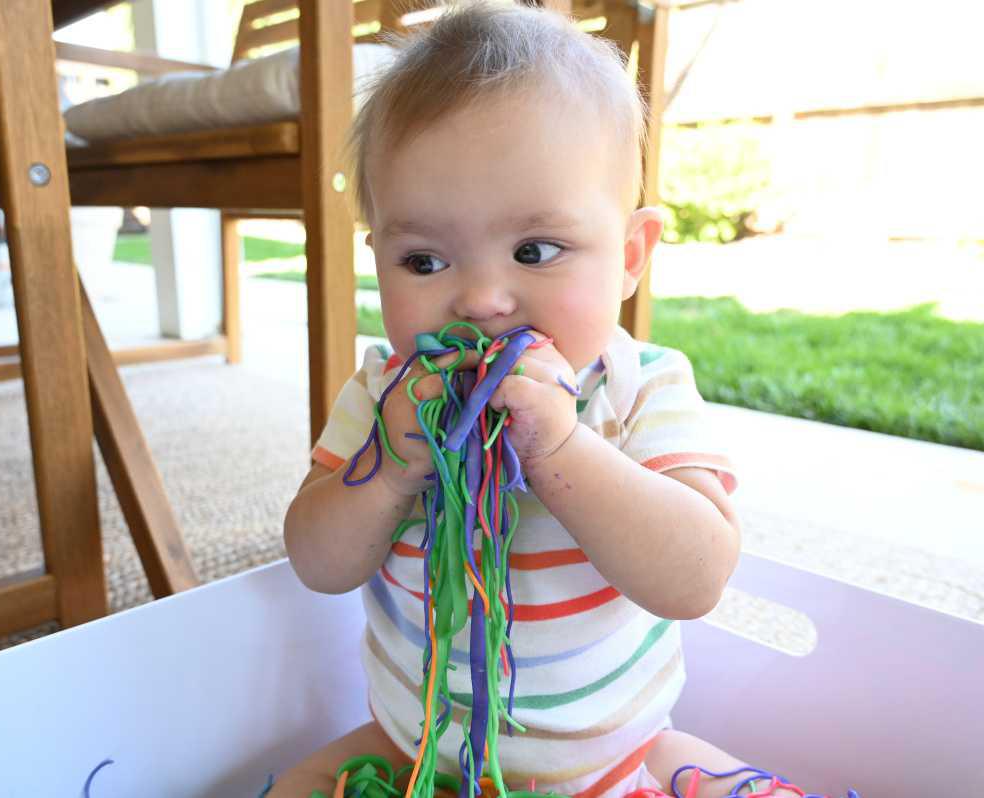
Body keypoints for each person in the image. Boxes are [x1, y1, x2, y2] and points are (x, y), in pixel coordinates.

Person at [282, 3, 753, 796]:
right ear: (379, 259)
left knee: (706, 776)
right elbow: (315, 561)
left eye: (535, 251)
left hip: (607, 764)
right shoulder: (385, 395)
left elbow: (695, 578)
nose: (482, 299)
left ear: (630, 255)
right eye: (424, 260)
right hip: (414, 745)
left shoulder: (641, 386)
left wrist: (564, 450)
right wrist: (392, 465)